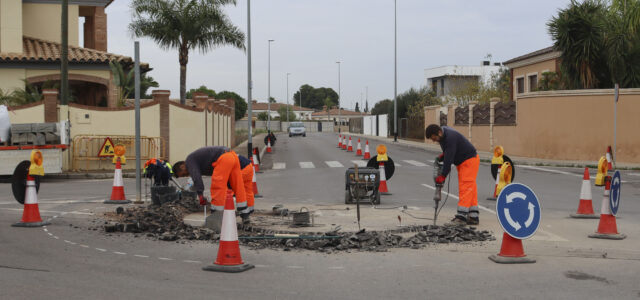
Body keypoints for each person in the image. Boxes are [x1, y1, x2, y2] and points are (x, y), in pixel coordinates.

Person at [172, 147, 249, 220]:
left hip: (224, 158)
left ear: (182, 166)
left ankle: (216, 215)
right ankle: (244, 214)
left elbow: (197, 178)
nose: (186, 175)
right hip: (233, 156)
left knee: (217, 186)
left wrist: (200, 195)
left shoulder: (189, 161)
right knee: (237, 185)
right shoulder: (195, 160)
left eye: (183, 174)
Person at [425, 124, 480, 225]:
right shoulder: (443, 134)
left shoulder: (449, 138)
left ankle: (461, 217)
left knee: (465, 187)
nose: (434, 141)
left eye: (434, 138)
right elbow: (449, 151)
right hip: (466, 161)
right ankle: (473, 216)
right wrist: (444, 155)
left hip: (469, 161)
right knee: (470, 188)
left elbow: (449, 160)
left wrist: (443, 175)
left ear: (439, 133)